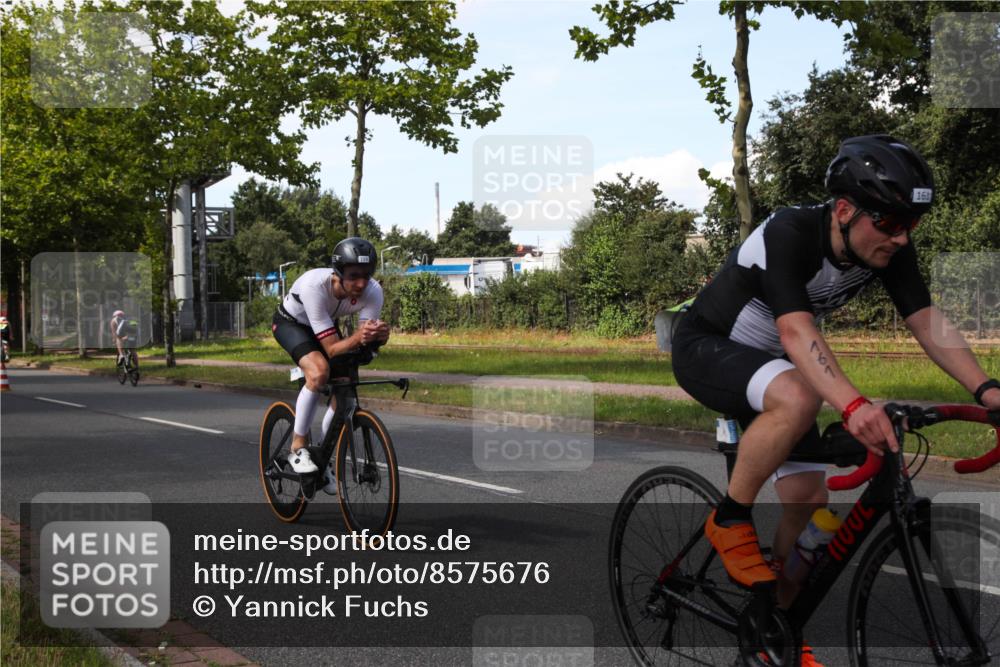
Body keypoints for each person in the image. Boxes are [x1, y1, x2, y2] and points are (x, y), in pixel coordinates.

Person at [671, 135, 1000, 665]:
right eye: (889, 223)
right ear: (845, 210)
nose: (899, 237)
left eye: (910, 225)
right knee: (801, 395)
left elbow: (925, 321)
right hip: (709, 347)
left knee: (806, 503)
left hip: (778, 369)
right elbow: (798, 333)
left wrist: (987, 390)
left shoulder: (885, 247)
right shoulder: (790, 231)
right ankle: (730, 518)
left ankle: (771, 632)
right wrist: (853, 405)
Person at [272, 238, 390, 493]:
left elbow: (362, 341)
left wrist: (377, 338)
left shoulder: (373, 291)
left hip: (324, 324)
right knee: (319, 372)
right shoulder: (316, 285)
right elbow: (332, 349)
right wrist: (359, 338)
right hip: (291, 324)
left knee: (344, 392)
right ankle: (298, 447)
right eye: (354, 276)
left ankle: (322, 455)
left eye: (367, 275)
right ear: (338, 273)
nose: (361, 283)